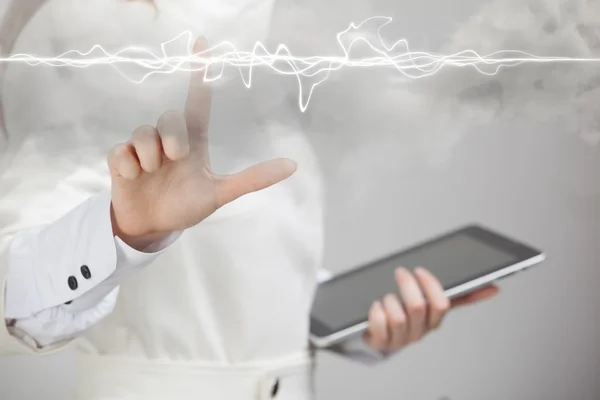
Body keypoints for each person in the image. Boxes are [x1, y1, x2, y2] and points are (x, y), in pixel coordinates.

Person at [0, 0, 498, 398]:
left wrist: (359, 324)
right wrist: (126, 230)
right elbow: (17, 291)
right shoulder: (85, 25)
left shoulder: (261, 29)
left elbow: (245, 259)